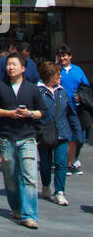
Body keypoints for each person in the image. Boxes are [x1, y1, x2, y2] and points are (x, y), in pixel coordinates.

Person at [0, 50, 44, 229]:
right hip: (8, 138)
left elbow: (43, 112)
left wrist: (30, 113)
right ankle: (16, 208)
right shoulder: (0, 87)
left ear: (23, 68)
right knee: (10, 177)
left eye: (14, 65)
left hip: (27, 137)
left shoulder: (32, 88)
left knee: (30, 177)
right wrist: (9, 113)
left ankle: (30, 215)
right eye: (8, 65)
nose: (10, 68)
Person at [37, 60, 71, 206]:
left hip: (62, 132)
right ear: (50, 75)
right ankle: (45, 185)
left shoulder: (62, 91)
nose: (60, 77)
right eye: (58, 74)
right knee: (45, 164)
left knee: (61, 163)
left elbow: (71, 113)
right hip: (45, 133)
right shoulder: (38, 92)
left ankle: (59, 192)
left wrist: (76, 131)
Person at [55, 46, 89, 175]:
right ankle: (67, 163)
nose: (62, 58)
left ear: (70, 56)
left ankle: (74, 159)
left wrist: (81, 96)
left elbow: (85, 86)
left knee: (79, 136)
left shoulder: (78, 70)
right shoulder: (56, 70)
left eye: (64, 55)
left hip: (77, 109)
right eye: (60, 56)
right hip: (61, 109)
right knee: (65, 136)